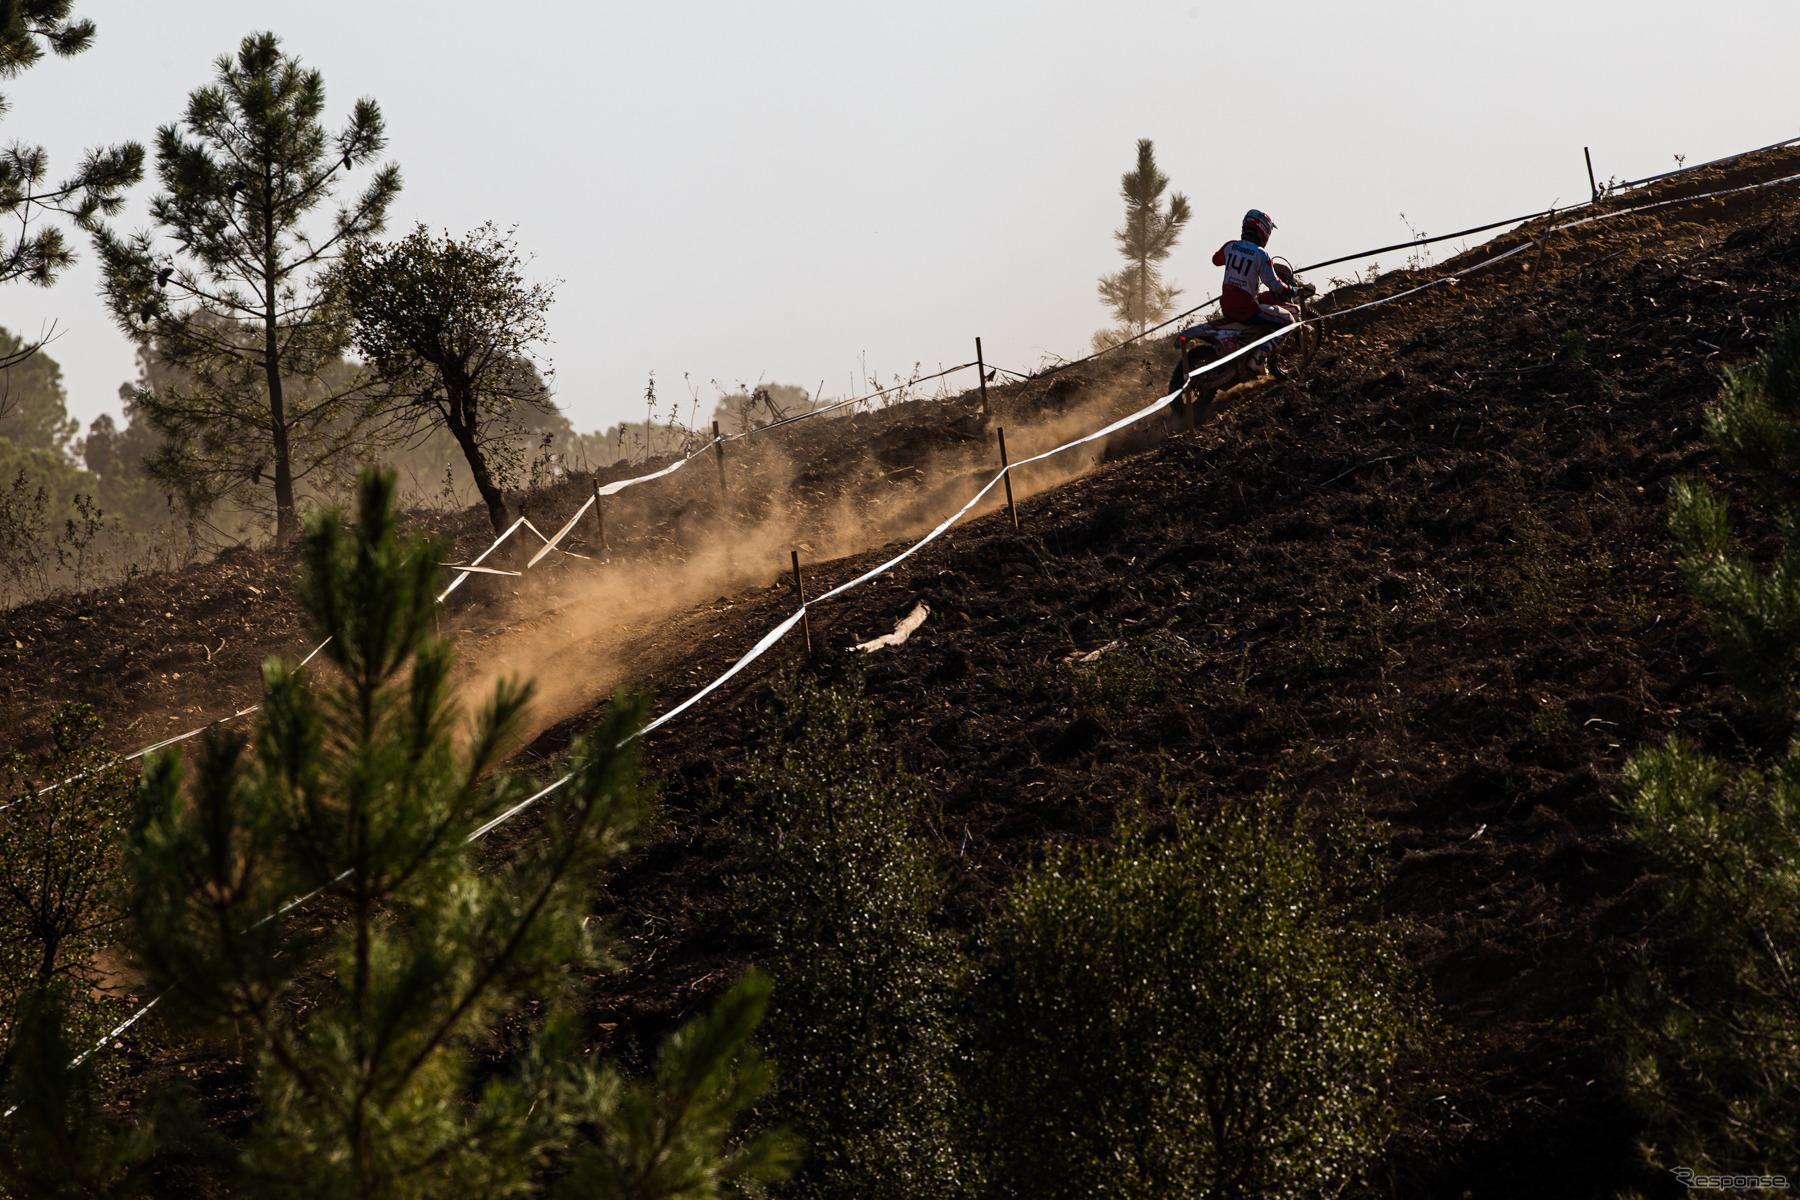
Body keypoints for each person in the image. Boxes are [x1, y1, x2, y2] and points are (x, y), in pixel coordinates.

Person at [1213, 209, 1300, 326]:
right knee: (1288, 320)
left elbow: (1216, 261)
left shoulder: (1230, 246)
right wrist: (1290, 290)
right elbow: (1273, 283)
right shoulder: (1261, 254)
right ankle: (1265, 345)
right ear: (1264, 230)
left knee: (1266, 297)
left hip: (1227, 306)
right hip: (1247, 310)